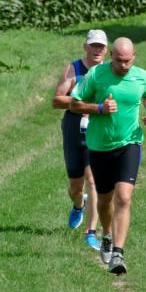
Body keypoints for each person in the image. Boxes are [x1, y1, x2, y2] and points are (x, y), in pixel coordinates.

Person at [69, 37, 146, 275]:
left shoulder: (142, 76)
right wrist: (98, 108)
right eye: (119, 61)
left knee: (124, 198)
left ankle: (118, 252)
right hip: (99, 147)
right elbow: (75, 104)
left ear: (134, 56)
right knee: (105, 200)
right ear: (111, 57)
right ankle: (106, 235)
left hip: (130, 143)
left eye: (127, 61)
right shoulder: (96, 75)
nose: (123, 65)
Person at [51, 29, 108, 250]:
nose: (97, 50)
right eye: (93, 45)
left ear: (106, 50)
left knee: (93, 180)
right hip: (74, 128)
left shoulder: (109, 71)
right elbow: (57, 100)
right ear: (86, 47)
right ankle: (78, 204)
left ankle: (90, 233)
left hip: (97, 128)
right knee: (76, 186)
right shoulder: (74, 69)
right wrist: (83, 103)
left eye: (101, 46)